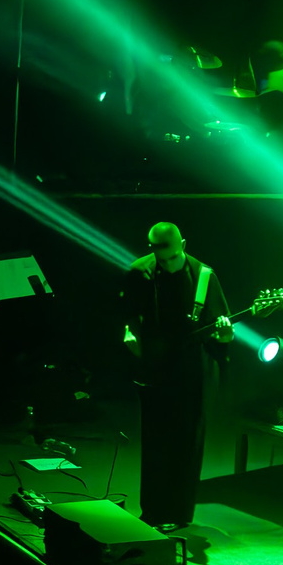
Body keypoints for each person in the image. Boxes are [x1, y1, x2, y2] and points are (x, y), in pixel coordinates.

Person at [121, 223, 234, 531]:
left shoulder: (204, 278)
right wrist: (130, 333)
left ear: (183, 243)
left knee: (187, 440)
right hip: (156, 367)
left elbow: (221, 333)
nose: (167, 265)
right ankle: (153, 512)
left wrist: (225, 336)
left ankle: (180, 513)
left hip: (192, 370)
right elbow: (129, 315)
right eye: (161, 259)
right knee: (155, 439)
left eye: (172, 258)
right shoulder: (139, 273)